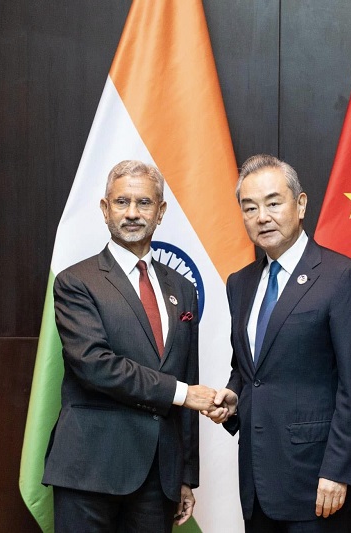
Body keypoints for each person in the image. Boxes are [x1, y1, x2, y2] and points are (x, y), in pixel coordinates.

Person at [42, 160, 221, 533]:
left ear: (161, 212)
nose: (133, 213)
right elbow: (95, 365)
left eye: (144, 203)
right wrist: (181, 393)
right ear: (105, 209)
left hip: (159, 477)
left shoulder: (182, 290)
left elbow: (188, 373)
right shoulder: (77, 282)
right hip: (90, 471)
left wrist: (186, 474)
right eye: (122, 202)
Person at [208, 154, 351, 532]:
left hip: (318, 483)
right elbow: (250, 368)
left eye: (273, 203)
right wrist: (234, 396)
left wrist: (339, 470)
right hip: (257, 481)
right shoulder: (240, 283)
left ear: (300, 205)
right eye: (249, 207)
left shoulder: (341, 277)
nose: (262, 217)